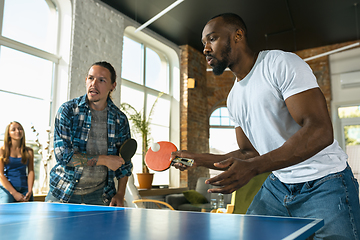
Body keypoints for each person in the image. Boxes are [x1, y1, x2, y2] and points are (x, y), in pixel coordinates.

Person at [171, 13, 360, 239]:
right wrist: (196, 158)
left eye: (212, 39)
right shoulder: (233, 99)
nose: (205, 49)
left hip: (325, 181)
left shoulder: (279, 64)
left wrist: (254, 167)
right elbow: (249, 152)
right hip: (280, 183)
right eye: (204, 43)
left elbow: (320, 131)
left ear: (238, 35)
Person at [45, 61, 132, 206]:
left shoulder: (120, 120)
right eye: (91, 78)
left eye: (102, 80)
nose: (94, 83)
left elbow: (125, 163)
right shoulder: (67, 111)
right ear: (86, 80)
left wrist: (120, 193)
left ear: (113, 86)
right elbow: (64, 157)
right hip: (62, 191)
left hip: (100, 196)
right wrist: (105, 160)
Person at [0, 121, 34, 203]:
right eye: (13, 130)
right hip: (7, 190)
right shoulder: (2, 151)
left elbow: (31, 171)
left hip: (25, 190)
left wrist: (30, 190)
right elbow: (0, 174)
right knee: (5, 214)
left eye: (20, 129)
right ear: (8, 134)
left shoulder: (29, 151)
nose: (17, 131)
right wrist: (14, 193)